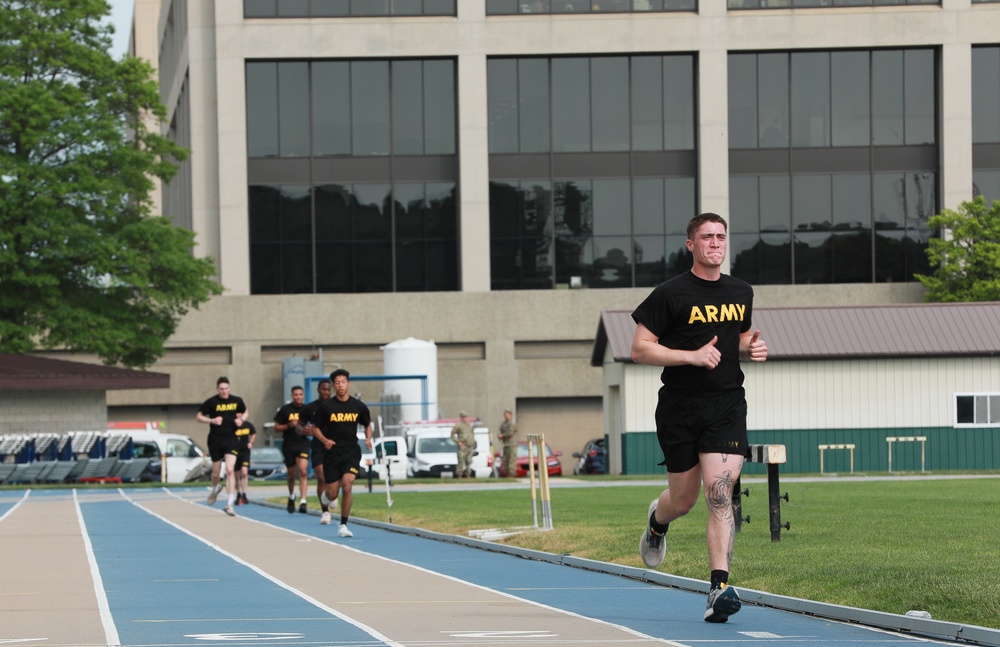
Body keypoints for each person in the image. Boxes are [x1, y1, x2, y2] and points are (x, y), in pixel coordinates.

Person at [630, 212, 768, 624]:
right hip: (679, 406)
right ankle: (658, 521)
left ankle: (718, 589)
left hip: (726, 404)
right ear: (691, 244)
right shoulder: (669, 294)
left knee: (720, 493)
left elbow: (740, 337)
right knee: (684, 500)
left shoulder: (741, 291)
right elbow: (640, 349)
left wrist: (751, 350)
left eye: (721, 236)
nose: (715, 243)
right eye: (706, 237)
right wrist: (690, 356)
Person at [312, 368, 372, 538]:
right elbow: (315, 428)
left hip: (351, 452)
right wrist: (325, 441)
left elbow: (367, 424)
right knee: (332, 494)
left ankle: (343, 525)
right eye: (337, 383)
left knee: (347, 485)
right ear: (333, 386)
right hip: (332, 454)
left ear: (348, 384)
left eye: (343, 382)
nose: (341, 385)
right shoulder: (326, 407)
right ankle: (326, 496)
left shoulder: (358, 406)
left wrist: (368, 439)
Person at [196, 376, 249, 517]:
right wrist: (212, 420)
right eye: (221, 389)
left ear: (229, 388)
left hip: (231, 438)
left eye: (226, 389)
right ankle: (216, 487)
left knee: (230, 470)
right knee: (215, 472)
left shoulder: (236, 400)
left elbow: (245, 411)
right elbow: (199, 417)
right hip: (215, 439)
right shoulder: (212, 402)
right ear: (217, 389)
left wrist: (241, 420)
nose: (224, 391)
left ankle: (230, 503)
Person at [302, 379, 334, 524]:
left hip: (335, 445)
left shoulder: (337, 406)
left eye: (328, 389)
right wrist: (304, 430)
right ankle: (325, 512)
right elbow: (299, 425)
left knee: (335, 477)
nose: (325, 392)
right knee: (321, 476)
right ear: (318, 390)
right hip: (318, 446)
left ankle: (332, 495)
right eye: (323, 389)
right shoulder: (310, 408)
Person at [274, 385, 309, 514]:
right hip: (289, 444)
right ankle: (291, 496)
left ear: (303, 395)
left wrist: (306, 430)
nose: (298, 397)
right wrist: (289, 425)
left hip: (303, 443)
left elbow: (314, 426)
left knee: (303, 471)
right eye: (296, 394)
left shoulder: (307, 409)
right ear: (292, 396)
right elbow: (276, 428)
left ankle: (303, 501)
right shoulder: (285, 410)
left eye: (300, 394)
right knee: (291, 475)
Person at [234, 419, 256, 505]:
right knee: (237, 475)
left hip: (245, 451)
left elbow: (254, 433)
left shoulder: (247, 424)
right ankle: (238, 494)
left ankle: (244, 494)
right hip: (235, 451)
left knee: (244, 472)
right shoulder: (232, 425)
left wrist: (251, 442)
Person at [450, 411, 475, 479]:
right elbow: (452, 435)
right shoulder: (458, 425)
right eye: (463, 417)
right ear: (461, 417)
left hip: (469, 446)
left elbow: (472, 434)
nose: (465, 418)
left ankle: (468, 475)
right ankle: (459, 475)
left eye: (466, 417)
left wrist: (472, 441)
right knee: (461, 461)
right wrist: (458, 442)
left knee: (468, 461)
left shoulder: (469, 425)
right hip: (462, 446)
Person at [498, 409, 518, 478]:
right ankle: (507, 474)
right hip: (505, 444)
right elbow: (501, 430)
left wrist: (502, 435)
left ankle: (511, 475)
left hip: (512, 444)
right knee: (505, 460)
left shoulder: (512, 423)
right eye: (505, 415)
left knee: (511, 460)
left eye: (507, 415)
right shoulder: (503, 424)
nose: (506, 416)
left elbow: (510, 433)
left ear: (510, 415)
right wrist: (500, 436)